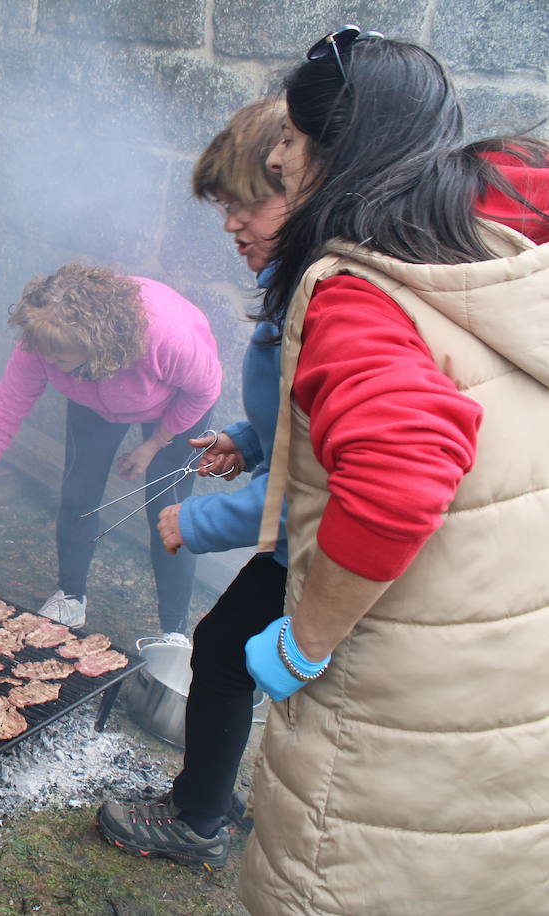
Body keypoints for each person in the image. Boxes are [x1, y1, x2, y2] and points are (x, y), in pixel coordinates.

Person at [237, 30, 548, 915]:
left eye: (290, 140)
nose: (277, 157)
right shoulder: (493, 250)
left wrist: (308, 637)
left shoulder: (361, 291)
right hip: (508, 668)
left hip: (410, 690)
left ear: (337, 149)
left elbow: (401, 475)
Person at [96, 98, 292, 868]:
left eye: (247, 203)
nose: (229, 224)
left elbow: (326, 472)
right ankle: (209, 796)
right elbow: (299, 422)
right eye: (223, 207)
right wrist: (245, 439)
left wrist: (198, 524)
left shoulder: (333, 294)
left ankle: (196, 818)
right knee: (223, 652)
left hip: (325, 543)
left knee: (220, 651)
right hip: (309, 539)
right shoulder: (296, 285)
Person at [0, 262, 221, 635]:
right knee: (79, 488)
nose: (48, 364)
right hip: (95, 397)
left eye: (58, 359)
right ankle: (70, 598)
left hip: (176, 404)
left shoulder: (168, 339)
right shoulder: (42, 345)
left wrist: (153, 444)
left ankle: (175, 629)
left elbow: (205, 390)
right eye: (45, 355)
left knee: (168, 504)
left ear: (93, 347)